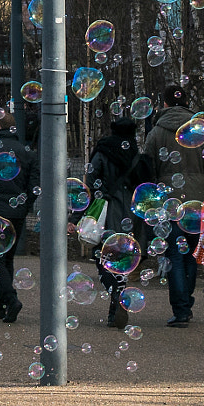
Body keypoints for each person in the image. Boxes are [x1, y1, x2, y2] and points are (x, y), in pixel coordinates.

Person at [142, 85, 204, 327]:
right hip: (197, 202)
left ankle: (180, 310)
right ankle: (186, 304)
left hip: (168, 203)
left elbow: (148, 170)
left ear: (165, 104)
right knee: (190, 254)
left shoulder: (157, 132)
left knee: (174, 256)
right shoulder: (200, 129)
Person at [86, 115, 150, 330]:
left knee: (102, 257)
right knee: (123, 261)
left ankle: (115, 295)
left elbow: (90, 180)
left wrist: (91, 204)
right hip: (131, 215)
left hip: (108, 211)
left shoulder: (103, 151)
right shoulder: (135, 153)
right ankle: (116, 308)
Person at [0, 111, 35, 323]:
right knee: (7, 257)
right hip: (17, 212)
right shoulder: (26, 151)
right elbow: (33, 184)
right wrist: (24, 206)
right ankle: (2, 306)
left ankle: (11, 300)